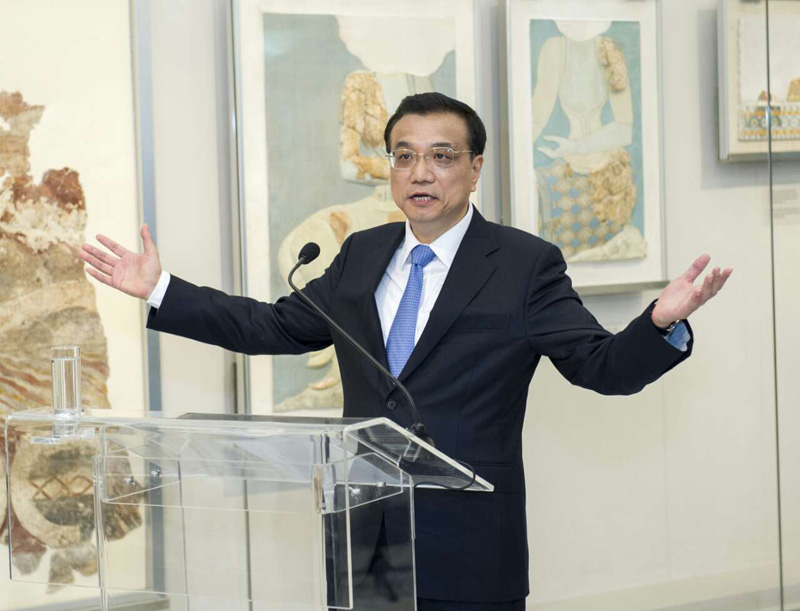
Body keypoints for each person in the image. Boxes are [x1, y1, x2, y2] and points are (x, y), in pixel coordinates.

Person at [79, 93, 731, 610]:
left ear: (475, 168)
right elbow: (272, 327)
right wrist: (160, 289)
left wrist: (659, 323)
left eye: (442, 156)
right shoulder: (362, 254)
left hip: (470, 545)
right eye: (404, 156)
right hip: (365, 538)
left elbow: (600, 366)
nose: (421, 172)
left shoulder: (523, 264)